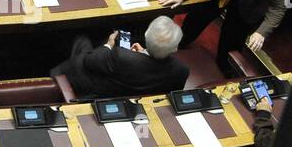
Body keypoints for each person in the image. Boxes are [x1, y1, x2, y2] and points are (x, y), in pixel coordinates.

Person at [51, 16, 189, 99]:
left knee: (82, 39)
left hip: (96, 90)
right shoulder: (182, 70)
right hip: (131, 96)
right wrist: (144, 54)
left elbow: (89, 61)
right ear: (175, 48)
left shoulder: (122, 56)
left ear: (146, 36)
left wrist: (109, 45)